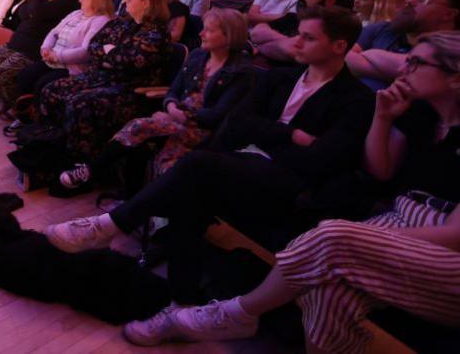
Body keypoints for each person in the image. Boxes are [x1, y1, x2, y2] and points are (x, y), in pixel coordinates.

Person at [122, 32, 460, 352]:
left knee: (331, 236)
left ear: (455, 77)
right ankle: (189, 298)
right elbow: (381, 171)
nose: (404, 68)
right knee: (328, 295)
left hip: (444, 251)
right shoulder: (421, 115)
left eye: (416, 63)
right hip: (399, 218)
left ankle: (236, 314)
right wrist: (383, 118)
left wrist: (366, 237)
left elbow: (455, 234)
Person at [44, 7, 375, 304]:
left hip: (284, 181)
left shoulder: (357, 98)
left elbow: (322, 158)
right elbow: (240, 122)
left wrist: (266, 136)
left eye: (307, 37)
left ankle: (109, 225)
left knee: (197, 165)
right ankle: (181, 297)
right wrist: (289, 135)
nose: (296, 43)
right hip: (242, 163)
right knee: (191, 194)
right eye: (298, 34)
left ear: (339, 46)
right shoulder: (280, 77)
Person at [57, 8, 253, 192]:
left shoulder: (241, 72)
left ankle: (95, 173)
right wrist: (170, 106)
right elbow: (173, 90)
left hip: (203, 129)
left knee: (142, 132)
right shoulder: (198, 56)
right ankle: (100, 177)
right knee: (138, 129)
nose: (201, 34)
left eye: (209, 31)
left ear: (229, 36)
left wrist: (178, 114)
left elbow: (217, 115)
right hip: (177, 117)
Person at [37, 0, 171, 167]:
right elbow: (94, 47)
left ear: (146, 3)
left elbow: (130, 64)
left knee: (79, 103)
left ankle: (84, 165)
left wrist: (111, 52)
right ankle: (54, 150)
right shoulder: (123, 23)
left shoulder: (156, 33)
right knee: (52, 90)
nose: (125, 1)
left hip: (129, 91)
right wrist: (112, 53)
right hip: (102, 78)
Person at [0, 0, 79, 111]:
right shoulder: (46, 1)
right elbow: (25, 12)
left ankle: (16, 106)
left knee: (5, 69)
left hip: (33, 50)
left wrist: (35, 7)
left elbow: (35, 11)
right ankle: (8, 99)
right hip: (20, 43)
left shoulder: (65, 4)